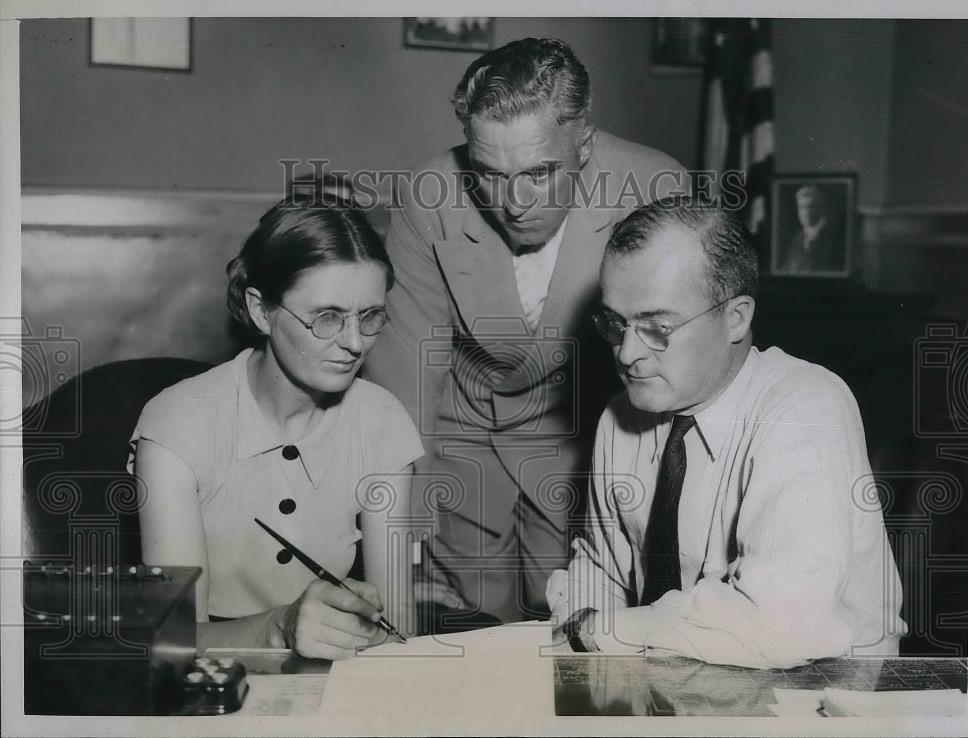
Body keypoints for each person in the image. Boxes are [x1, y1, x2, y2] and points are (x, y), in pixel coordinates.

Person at [363, 37, 686, 626]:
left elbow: (683, 370)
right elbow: (405, 375)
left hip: (586, 436)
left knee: (567, 629)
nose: (513, 203)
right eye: (489, 173)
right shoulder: (428, 196)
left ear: (583, 143)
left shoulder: (657, 191)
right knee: (468, 635)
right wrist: (399, 536)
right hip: (463, 432)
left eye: (539, 173)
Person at [547, 198, 906, 668]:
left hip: (821, 700)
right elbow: (600, 573)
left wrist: (601, 629)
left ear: (735, 317)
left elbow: (780, 626)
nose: (628, 353)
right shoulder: (621, 419)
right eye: (616, 323)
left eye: (657, 327)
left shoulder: (806, 407)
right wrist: (578, 621)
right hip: (677, 691)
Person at [129, 197, 424, 659]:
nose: (353, 343)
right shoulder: (177, 427)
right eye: (326, 317)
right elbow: (171, 644)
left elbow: (396, 631)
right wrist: (279, 631)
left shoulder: (382, 421)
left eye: (369, 317)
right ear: (261, 311)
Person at [775, 184, 844, 274]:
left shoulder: (835, 238)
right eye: (802, 207)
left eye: (812, 206)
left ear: (823, 208)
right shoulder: (797, 237)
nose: (806, 212)